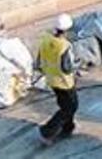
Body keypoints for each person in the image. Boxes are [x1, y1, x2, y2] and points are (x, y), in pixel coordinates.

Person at [37, 14, 78, 145]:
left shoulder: (45, 40)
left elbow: (39, 60)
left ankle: (68, 128)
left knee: (64, 104)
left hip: (51, 79)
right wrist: (77, 66)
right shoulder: (64, 46)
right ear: (67, 30)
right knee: (70, 107)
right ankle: (47, 131)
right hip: (64, 82)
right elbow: (67, 67)